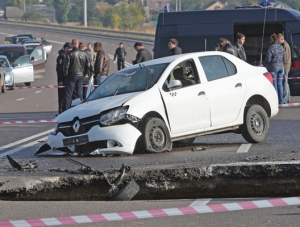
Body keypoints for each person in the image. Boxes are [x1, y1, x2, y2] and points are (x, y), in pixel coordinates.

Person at [62, 38, 91, 112]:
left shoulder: (69, 53)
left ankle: (66, 110)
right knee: (79, 94)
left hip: (71, 75)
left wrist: (65, 75)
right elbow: (88, 65)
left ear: (72, 44)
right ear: (78, 44)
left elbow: (66, 66)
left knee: (68, 95)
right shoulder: (84, 53)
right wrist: (85, 74)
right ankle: (79, 109)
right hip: (80, 75)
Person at [265, 33, 285, 104]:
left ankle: (275, 101)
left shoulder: (271, 48)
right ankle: (281, 101)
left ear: (271, 40)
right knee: (280, 85)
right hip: (281, 67)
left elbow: (268, 60)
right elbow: (284, 58)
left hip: (273, 68)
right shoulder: (281, 47)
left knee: (275, 85)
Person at [56, 42, 72, 114]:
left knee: (67, 96)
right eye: (69, 48)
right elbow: (59, 70)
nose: (70, 50)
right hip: (62, 80)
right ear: (65, 48)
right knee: (62, 97)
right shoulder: (61, 57)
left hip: (68, 80)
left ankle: (66, 111)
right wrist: (61, 80)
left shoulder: (68, 55)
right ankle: (61, 112)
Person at [278, 33, 291, 104]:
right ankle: (287, 98)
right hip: (286, 66)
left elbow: (285, 58)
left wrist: (280, 61)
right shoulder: (285, 45)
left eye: (278, 40)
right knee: (286, 82)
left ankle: (285, 99)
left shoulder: (285, 46)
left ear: (282, 39)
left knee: (285, 83)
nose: (278, 41)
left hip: (285, 66)